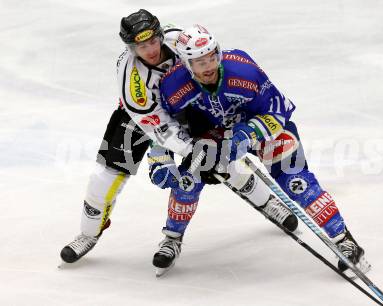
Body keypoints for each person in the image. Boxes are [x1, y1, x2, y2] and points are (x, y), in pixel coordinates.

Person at [60, 10, 298, 266]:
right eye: (141, 46)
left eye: (153, 41)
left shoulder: (179, 40)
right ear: (131, 48)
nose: (150, 50)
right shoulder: (133, 81)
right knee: (104, 177)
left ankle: (267, 202)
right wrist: (190, 149)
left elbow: (211, 61)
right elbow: (157, 126)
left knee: (224, 159)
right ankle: (88, 234)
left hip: (194, 107)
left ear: (161, 35)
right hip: (143, 120)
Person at [156, 24, 370, 277]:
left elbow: (279, 109)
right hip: (212, 137)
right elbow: (161, 126)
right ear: (186, 64)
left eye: (213, 56)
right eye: (200, 62)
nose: (210, 66)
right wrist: (160, 158)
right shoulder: (173, 85)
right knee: (186, 181)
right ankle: (172, 237)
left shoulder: (243, 70)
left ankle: (346, 242)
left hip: (261, 130)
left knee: (296, 181)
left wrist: (249, 134)